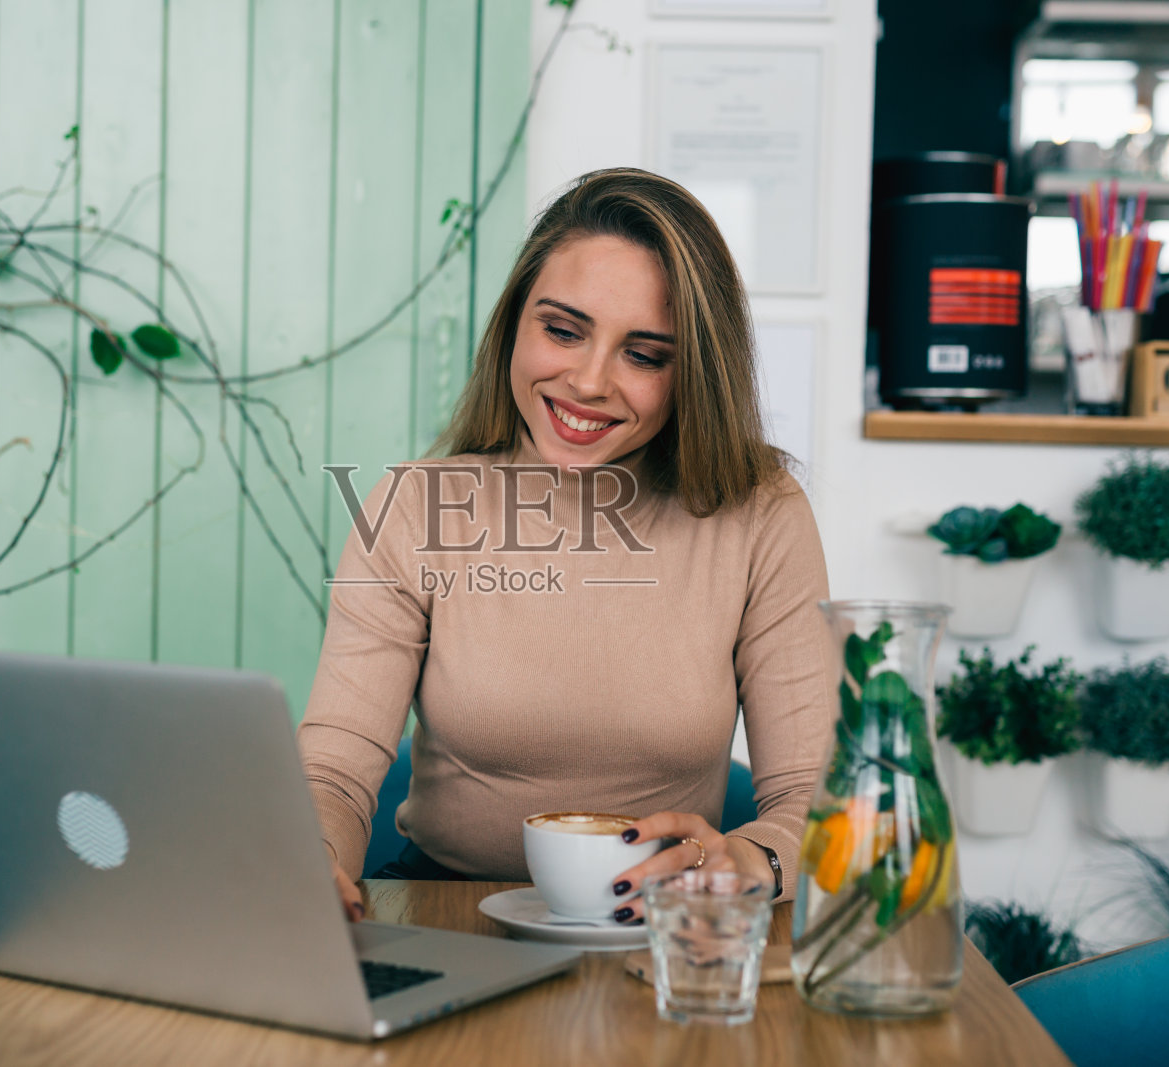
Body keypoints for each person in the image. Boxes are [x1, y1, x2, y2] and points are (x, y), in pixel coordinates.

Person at [298, 167, 834, 924]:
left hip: (662, 928)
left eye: (644, 354)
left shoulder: (762, 513)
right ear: (516, 323)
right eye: (563, 329)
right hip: (446, 911)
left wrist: (754, 857)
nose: (588, 381)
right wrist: (311, 858)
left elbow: (814, 799)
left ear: (692, 375)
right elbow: (334, 770)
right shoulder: (415, 506)